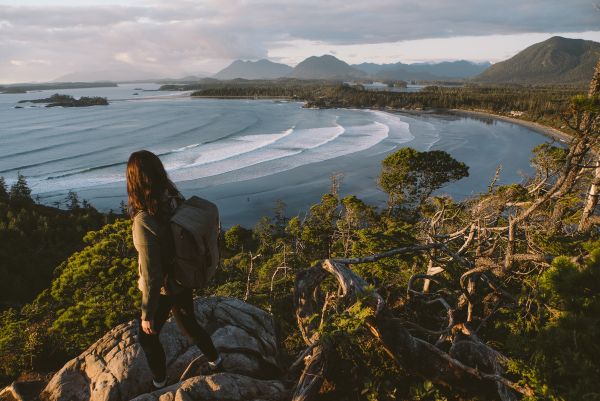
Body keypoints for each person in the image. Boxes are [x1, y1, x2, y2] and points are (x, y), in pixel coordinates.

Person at [126, 150, 222, 388]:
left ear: (134, 181)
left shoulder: (144, 220)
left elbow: (151, 273)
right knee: (188, 323)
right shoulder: (172, 196)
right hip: (183, 276)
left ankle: (159, 383)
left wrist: (147, 313)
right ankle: (216, 361)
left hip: (166, 286)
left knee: (147, 339)